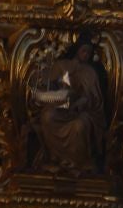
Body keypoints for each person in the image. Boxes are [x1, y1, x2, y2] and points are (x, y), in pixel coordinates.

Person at [29, 31, 107, 173]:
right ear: (77, 50)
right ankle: (54, 157)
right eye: (83, 50)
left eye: (88, 53)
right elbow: (47, 86)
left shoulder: (90, 72)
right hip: (60, 106)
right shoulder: (61, 65)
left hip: (81, 112)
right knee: (47, 116)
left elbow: (95, 99)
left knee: (79, 126)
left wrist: (83, 102)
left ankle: (77, 162)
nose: (86, 55)